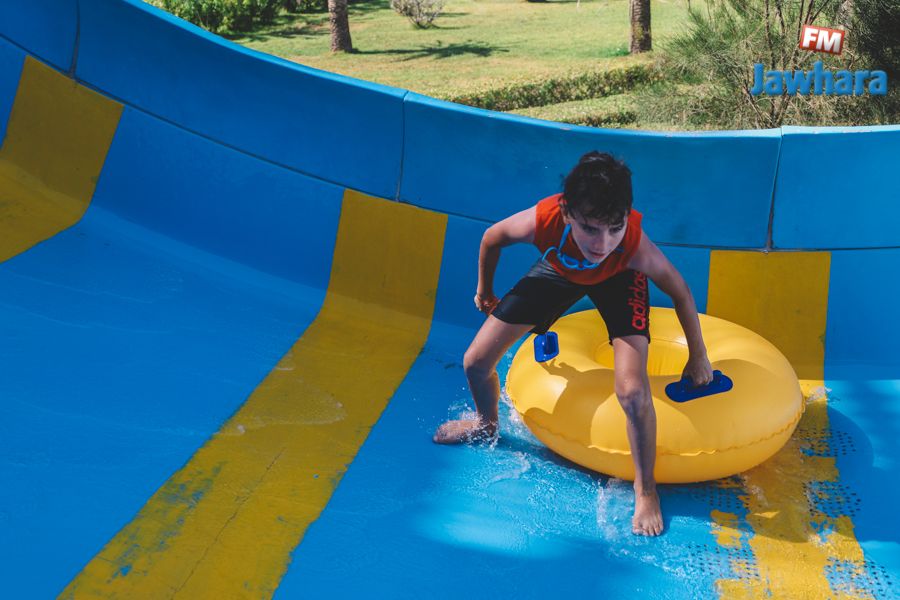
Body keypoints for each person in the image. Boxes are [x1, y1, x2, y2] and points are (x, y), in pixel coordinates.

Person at [433, 151, 714, 537]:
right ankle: (486, 424)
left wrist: (699, 356)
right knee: (475, 362)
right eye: (590, 229)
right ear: (567, 213)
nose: (602, 243)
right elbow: (492, 238)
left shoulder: (631, 246)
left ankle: (646, 489)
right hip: (560, 270)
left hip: (620, 279)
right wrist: (484, 290)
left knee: (633, 393)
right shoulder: (544, 220)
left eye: (614, 228)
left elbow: (680, 291)